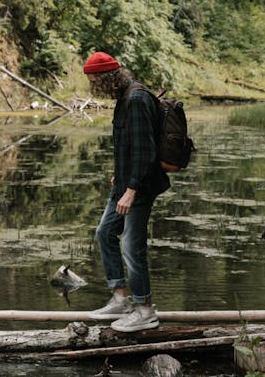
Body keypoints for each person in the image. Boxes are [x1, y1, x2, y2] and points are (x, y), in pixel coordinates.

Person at [82, 51, 170, 332]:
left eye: (95, 82)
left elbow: (146, 151)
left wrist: (131, 189)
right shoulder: (124, 98)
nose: (94, 87)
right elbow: (128, 145)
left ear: (108, 78)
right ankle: (121, 300)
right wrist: (119, 174)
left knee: (131, 246)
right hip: (125, 182)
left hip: (139, 186)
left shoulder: (136, 99)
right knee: (105, 233)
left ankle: (145, 310)